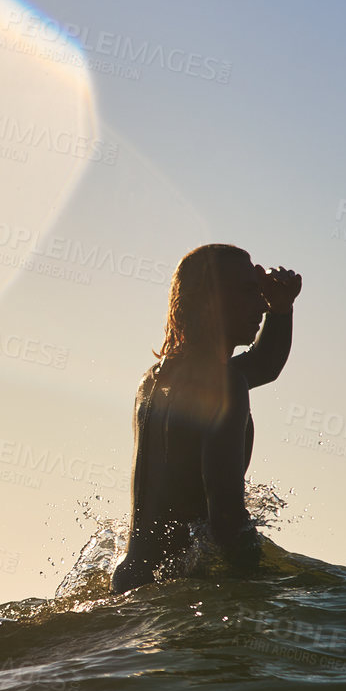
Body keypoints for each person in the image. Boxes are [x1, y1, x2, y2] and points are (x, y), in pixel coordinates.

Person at [111, 244, 301, 593]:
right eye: (249, 292)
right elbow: (226, 517)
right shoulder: (223, 384)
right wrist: (261, 588)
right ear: (210, 300)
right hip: (174, 589)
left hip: (131, 582)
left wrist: (281, 308)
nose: (260, 303)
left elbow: (264, 364)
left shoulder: (155, 380)